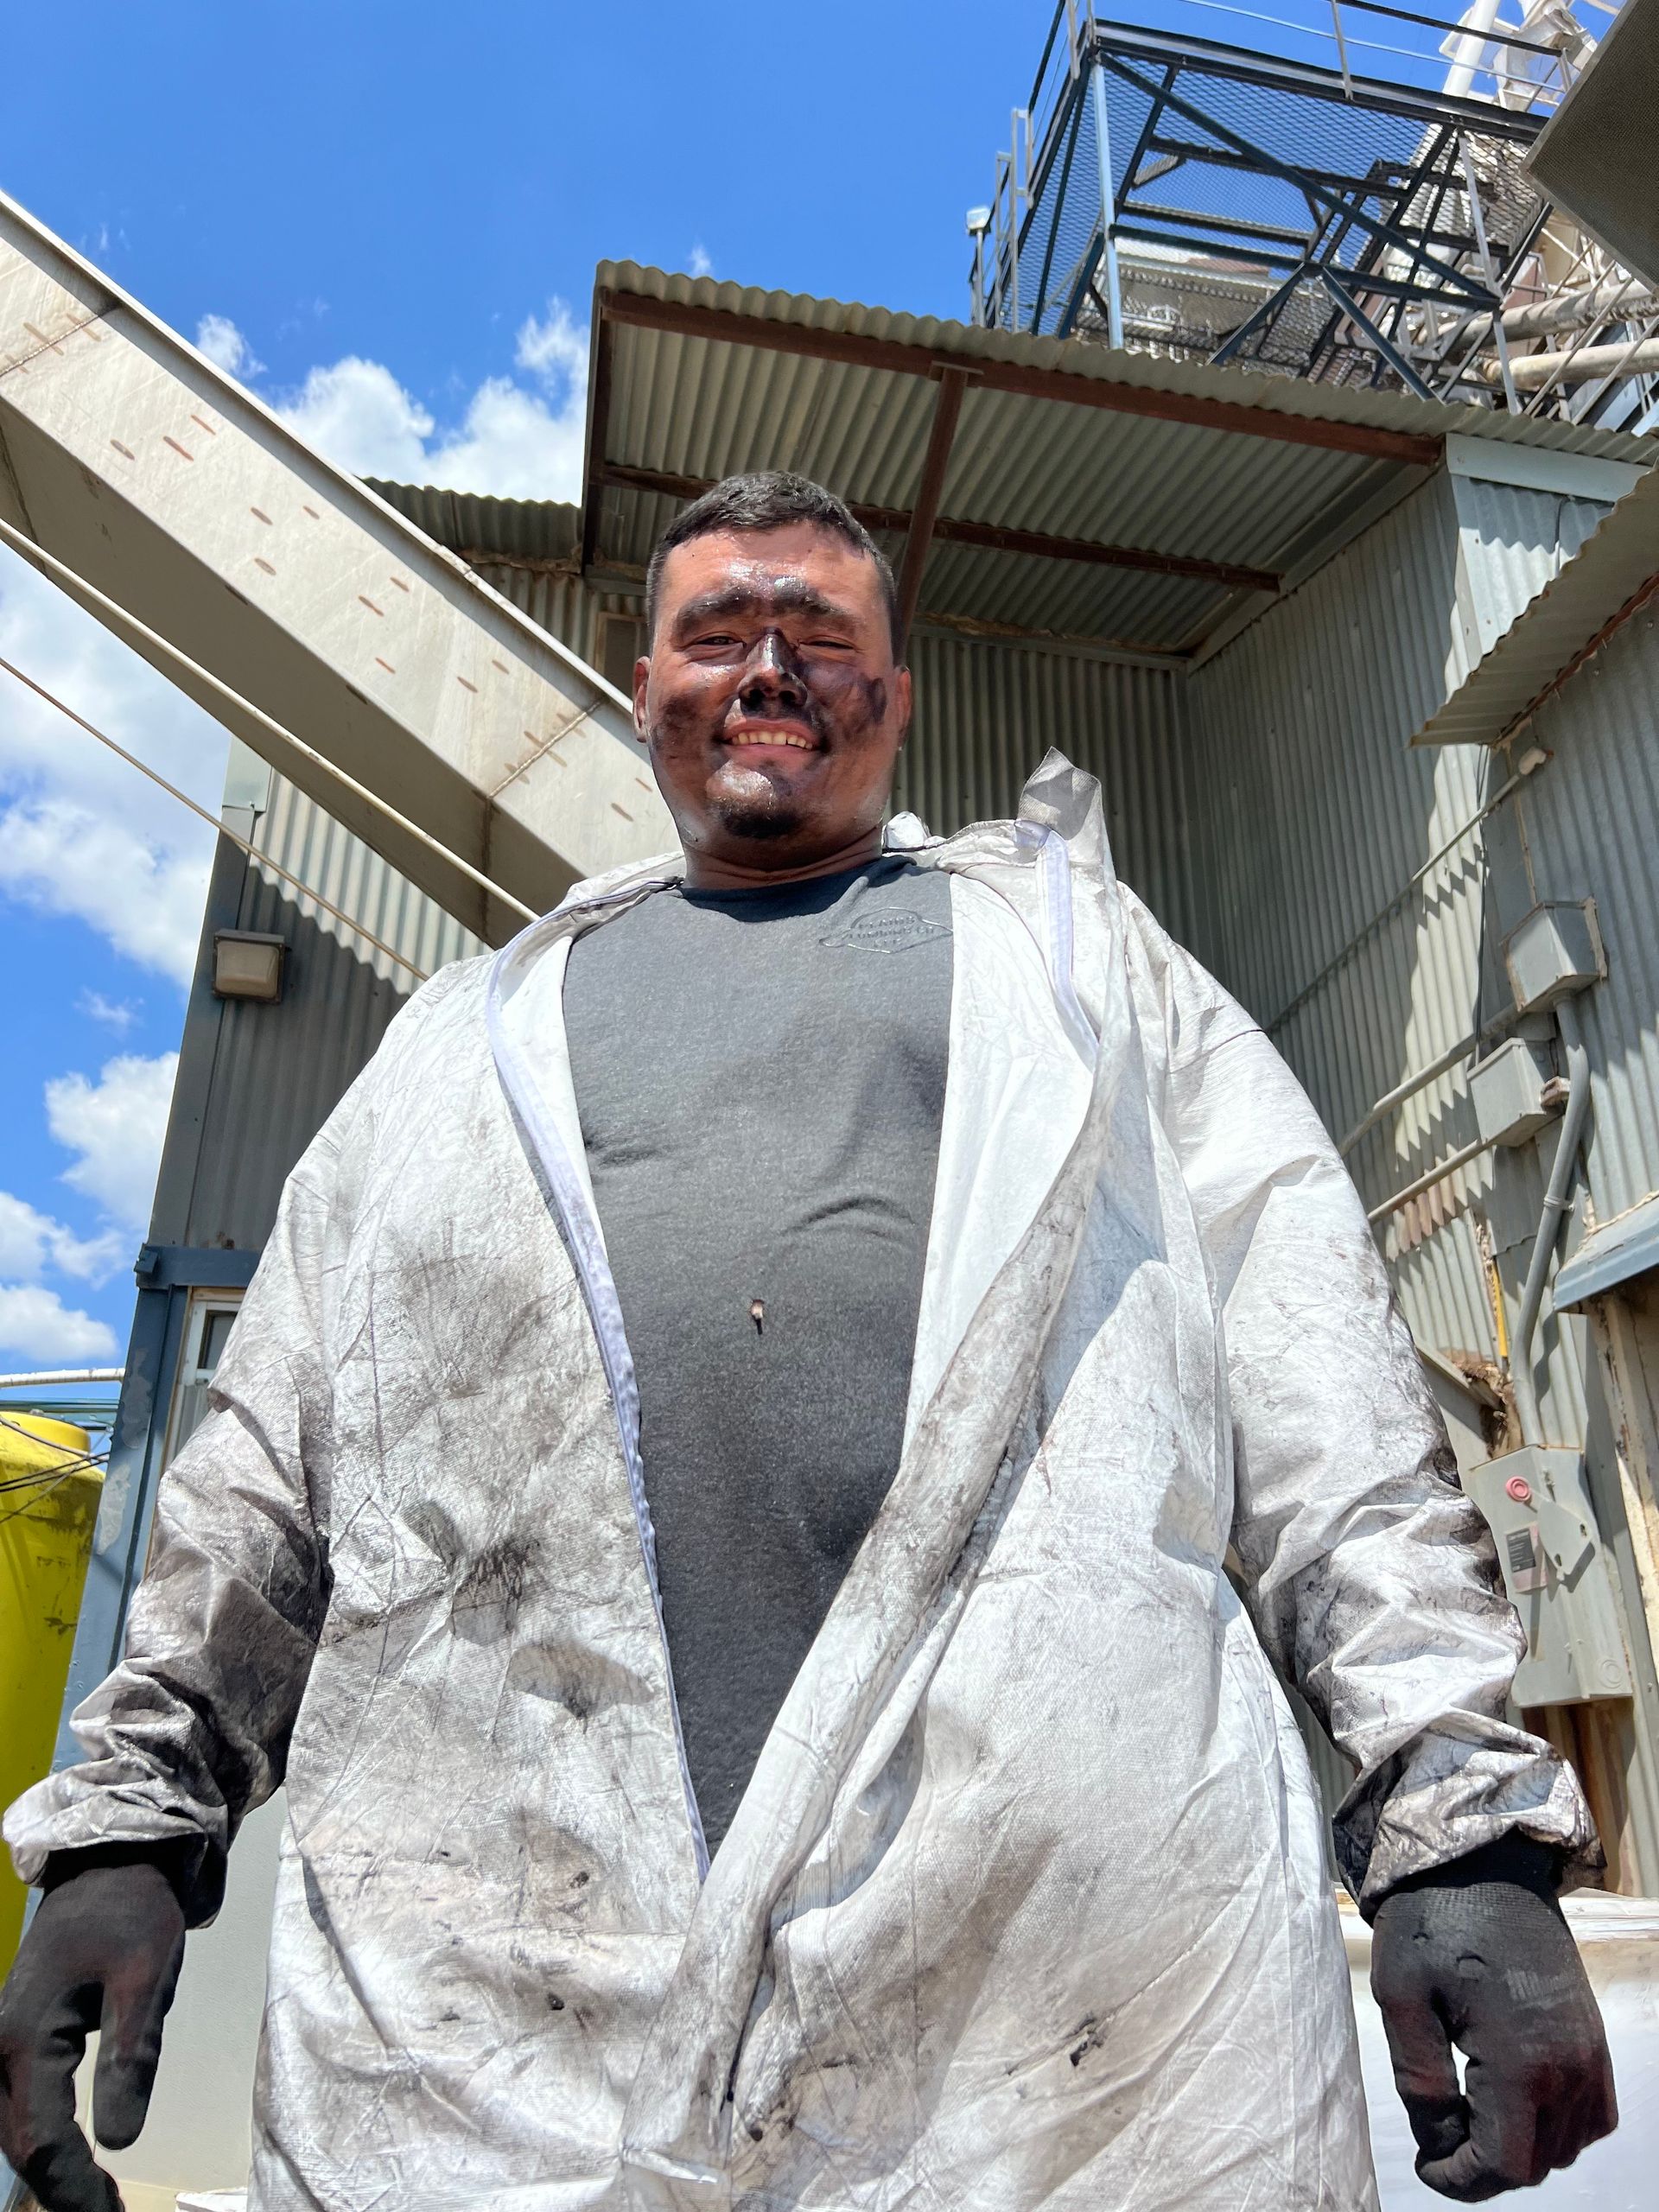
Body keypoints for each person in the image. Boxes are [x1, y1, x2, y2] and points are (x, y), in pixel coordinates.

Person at [0, 473, 1616, 2211]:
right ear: (646, 691)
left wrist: (1462, 1835)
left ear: (894, 704)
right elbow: (265, 1466)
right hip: (494, 2034)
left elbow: (1327, 1401)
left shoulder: (1086, 973)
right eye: (717, 631)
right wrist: (129, 1830)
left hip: (1054, 2033)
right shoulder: (449, 1053)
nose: (768, 666)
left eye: (822, 635)